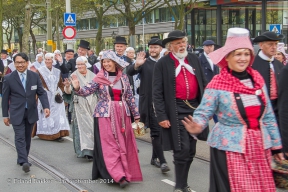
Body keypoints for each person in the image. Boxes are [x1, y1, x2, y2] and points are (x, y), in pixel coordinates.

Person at [181, 28, 284, 192]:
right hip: (230, 148)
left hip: (259, 146)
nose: (243, 58)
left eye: (246, 54)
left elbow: (268, 116)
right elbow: (203, 111)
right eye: (237, 54)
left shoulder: (257, 79)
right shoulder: (218, 83)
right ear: (227, 57)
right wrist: (198, 125)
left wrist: (277, 147)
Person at [71, 50, 142, 188]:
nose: (106, 64)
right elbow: (86, 91)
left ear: (115, 62)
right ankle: (117, 175)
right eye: (104, 61)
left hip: (122, 114)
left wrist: (136, 115)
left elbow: (129, 97)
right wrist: (77, 87)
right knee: (110, 145)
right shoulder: (99, 77)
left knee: (123, 144)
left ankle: (125, 171)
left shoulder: (124, 78)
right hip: (104, 114)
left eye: (109, 61)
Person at [152, 30, 207, 192]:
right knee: (181, 149)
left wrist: (205, 109)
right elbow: (157, 92)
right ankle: (179, 186)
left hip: (194, 109)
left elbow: (203, 83)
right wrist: (161, 115)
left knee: (191, 150)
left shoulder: (194, 59)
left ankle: (183, 184)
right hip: (175, 110)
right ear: (170, 46)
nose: (182, 45)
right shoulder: (162, 64)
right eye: (177, 43)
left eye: (183, 42)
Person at [126, 37, 170, 173]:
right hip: (149, 103)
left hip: (163, 103)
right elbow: (129, 72)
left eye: (155, 47)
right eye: (151, 47)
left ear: (161, 49)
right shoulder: (144, 62)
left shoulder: (165, 62)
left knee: (161, 131)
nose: (153, 50)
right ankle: (162, 161)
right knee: (156, 131)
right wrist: (136, 65)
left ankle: (153, 158)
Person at [2, 52, 50, 173]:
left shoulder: (34, 76)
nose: (20, 65)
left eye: (22, 62)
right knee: (19, 137)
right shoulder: (8, 78)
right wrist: (5, 115)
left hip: (31, 112)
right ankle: (24, 161)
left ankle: (22, 157)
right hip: (16, 112)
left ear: (27, 63)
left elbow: (41, 92)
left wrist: (46, 107)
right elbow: (5, 98)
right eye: (17, 63)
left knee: (27, 137)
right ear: (14, 64)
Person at [63, 56, 97, 161]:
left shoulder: (94, 75)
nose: (80, 66)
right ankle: (85, 151)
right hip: (79, 106)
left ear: (86, 64)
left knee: (93, 127)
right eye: (78, 65)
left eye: (82, 64)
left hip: (93, 104)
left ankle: (95, 149)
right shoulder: (73, 75)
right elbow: (68, 92)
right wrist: (68, 86)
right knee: (81, 128)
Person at [33, 53, 70, 142]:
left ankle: (58, 133)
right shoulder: (39, 71)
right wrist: (40, 92)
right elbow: (35, 83)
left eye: (49, 59)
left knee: (58, 114)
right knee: (46, 114)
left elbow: (60, 83)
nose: (47, 61)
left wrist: (59, 91)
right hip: (45, 96)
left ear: (53, 60)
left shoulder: (57, 71)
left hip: (56, 96)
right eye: (46, 59)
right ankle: (47, 134)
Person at [252, 31, 284, 123]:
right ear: (261, 45)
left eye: (275, 44)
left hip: (278, 108)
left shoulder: (279, 65)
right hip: (260, 109)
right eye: (270, 44)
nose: (274, 47)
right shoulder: (253, 65)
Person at [199, 40, 219, 123]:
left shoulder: (216, 58)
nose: (209, 48)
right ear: (203, 47)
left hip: (216, 88)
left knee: (217, 111)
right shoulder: (200, 59)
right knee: (207, 112)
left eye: (211, 46)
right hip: (206, 89)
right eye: (207, 46)